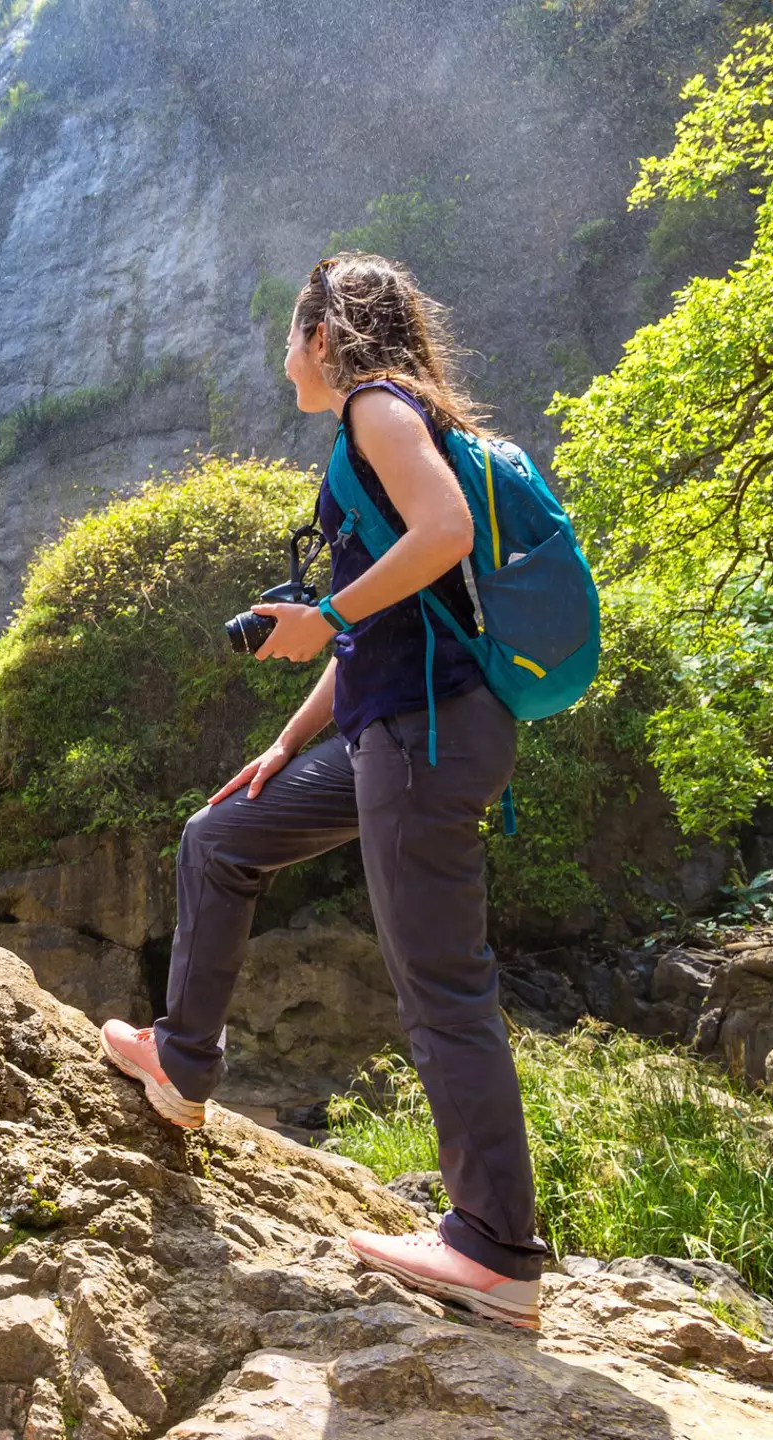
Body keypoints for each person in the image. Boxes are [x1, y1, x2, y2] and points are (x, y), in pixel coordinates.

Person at [99, 252, 547, 1330]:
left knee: (440, 983)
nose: (280, 356)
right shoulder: (384, 425)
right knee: (220, 835)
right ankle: (180, 1064)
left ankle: (493, 1252)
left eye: (286, 333)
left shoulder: (375, 411)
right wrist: (282, 741)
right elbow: (395, 618)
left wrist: (325, 618)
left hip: (423, 738)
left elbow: (436, 536)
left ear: (319, 334)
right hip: (392, 729)